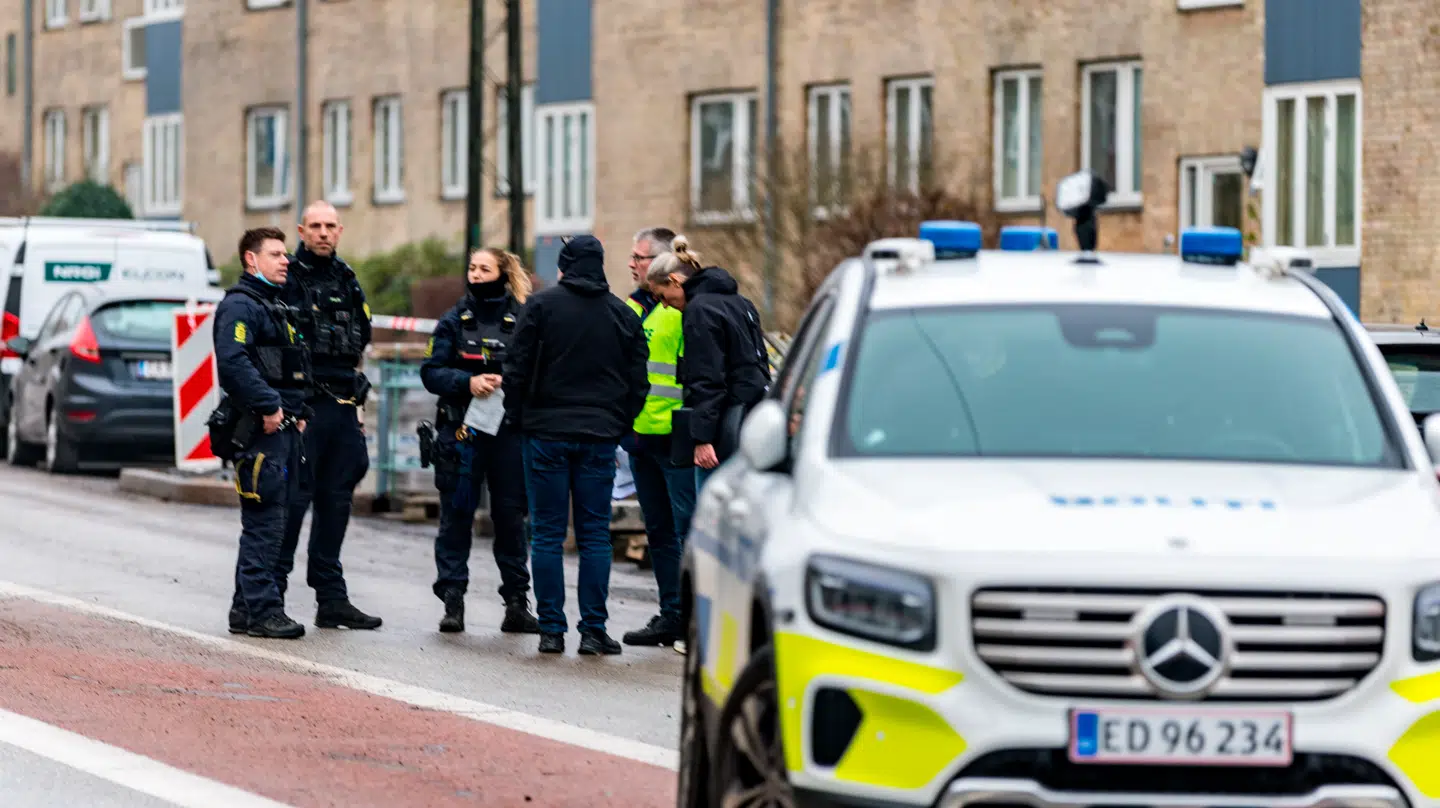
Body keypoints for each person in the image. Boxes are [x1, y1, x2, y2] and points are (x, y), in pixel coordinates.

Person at [502, 235, 649, 656]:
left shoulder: (542, 307)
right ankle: (593, 630)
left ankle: (551, 629)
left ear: (564, 267)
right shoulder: (623, 315)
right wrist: (620, 423)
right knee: (594, 535)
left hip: (545, 433)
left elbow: (516, 367)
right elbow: (639, 381)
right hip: (599, 437)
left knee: (547, 532)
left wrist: (519, 418)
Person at [272, 200, 382, 632]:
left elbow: (360, 342)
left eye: (329, 226)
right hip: (304, 407)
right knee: (294, 502)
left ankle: (331, 598)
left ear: (340, 230)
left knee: (337, 503)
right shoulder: (287, 279)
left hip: (340, 407)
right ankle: (270, 596)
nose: (322, 233)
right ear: (301, 230)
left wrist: (355, 409)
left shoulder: (348, 279)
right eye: (314, 226)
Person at [419, 248, 540, 635]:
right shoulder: (454, 320)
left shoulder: (523, 318)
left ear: (502, 273)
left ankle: (517, 603)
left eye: (484, 268)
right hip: (462, 432)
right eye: (472, 268)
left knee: (511, 520)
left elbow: (540, 369)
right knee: (457, 517)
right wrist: (467, 382)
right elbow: (431, 372)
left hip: (508, 434)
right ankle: (453, 601)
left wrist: (514, 383)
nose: (475, 274)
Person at [217, 228, 313, 639]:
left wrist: (298, 410)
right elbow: (234, 362)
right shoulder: (241, 306)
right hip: (259, 430)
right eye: (275, 254)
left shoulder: (274, 305)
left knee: (275, 520)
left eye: (285, 253)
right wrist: (268, 405)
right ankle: (263, 612)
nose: (285, 260)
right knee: (265, 524)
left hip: (283, 428)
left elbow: (287, 367)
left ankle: (245, 609)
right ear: (250, 260)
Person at [648, 236, 772, 492]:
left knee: (708, 515)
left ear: (674, 281)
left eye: (662, 296)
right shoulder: (741, 303)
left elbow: (707, 379)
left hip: (721, 433)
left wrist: (702, 438)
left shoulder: (699, 311)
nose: (664, 305)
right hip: (750, 420)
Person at [620, 226, 695, 648]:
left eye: (640, 258)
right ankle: (671, 614)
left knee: (686, 529)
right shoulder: (632, 308)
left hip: (677, 438)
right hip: (640, 437)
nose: (632, 264)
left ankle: (690, 616)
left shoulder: (686, 309)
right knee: (660, 532)